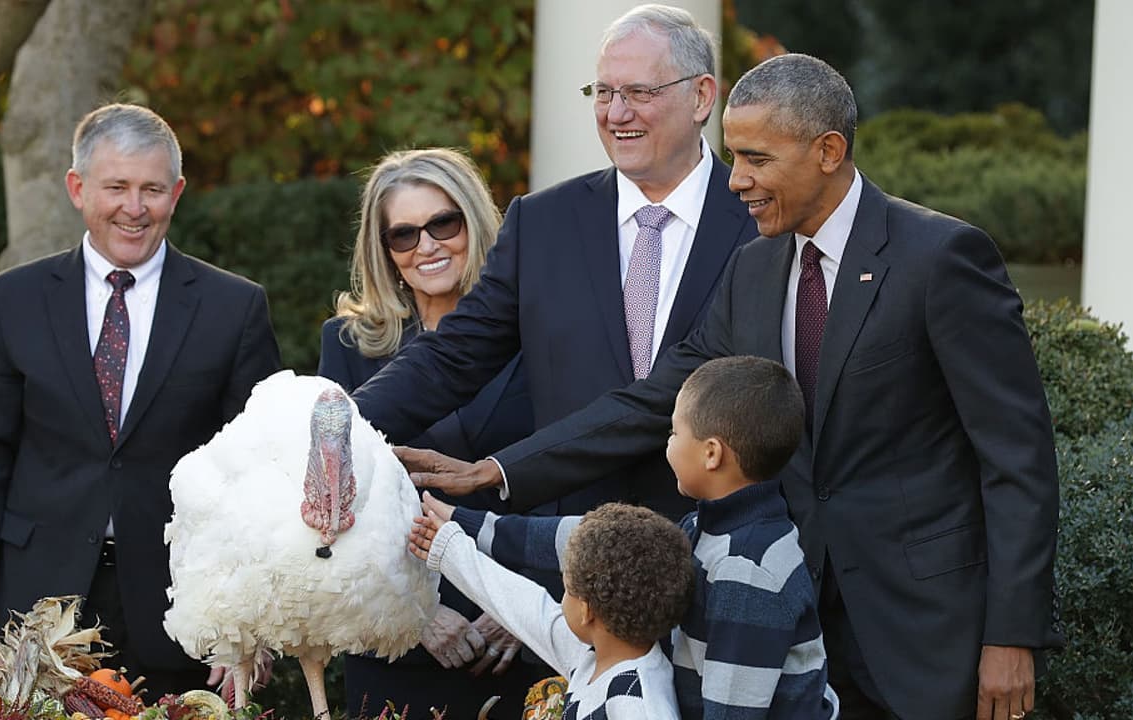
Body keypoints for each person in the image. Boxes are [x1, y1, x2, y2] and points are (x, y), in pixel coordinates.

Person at [404, 54, 1064, 720]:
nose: (736, 180)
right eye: (734, 156)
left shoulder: (942, 258)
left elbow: (1017, 460)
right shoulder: (753, 268)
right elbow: (654, 399)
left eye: (756, 159)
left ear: (828, 151)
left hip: (925, 636)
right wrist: (494, 472)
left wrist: (1011, 635)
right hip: (792, 636)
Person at [352, 3, 755, 524]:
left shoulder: (759, 221)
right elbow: (454, 354)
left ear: (701, 96)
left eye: (639, 92)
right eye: (604, 93)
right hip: (565, 554)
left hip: (723, 542)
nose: (616, 113)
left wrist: (500, 470)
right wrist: (336, 422)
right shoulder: (542, 222)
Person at [0, 103, 281, 700]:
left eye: (152, 189)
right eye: (116, 187)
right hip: (31, 626)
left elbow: (260, 482)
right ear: (77, 188)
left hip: (184, 623)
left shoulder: (234, 309)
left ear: (176, 194)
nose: (134, 207)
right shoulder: (14, 300)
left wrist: (250, 626)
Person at [417, 357, 838, 718]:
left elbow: (732, 711)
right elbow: (594, 543)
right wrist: (468, 525)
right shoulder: (707, 527)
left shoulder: (748, 573)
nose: (668, 445)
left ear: (711, 453)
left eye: (674, 433)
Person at [317, 148, 541, 717]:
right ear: (384, 250)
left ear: (476, 221)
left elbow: (564, 471)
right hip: (396, 651)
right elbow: (334, 504)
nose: (428, 246)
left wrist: (523, 603)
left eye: (444, 223)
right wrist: (413, 615)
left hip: (524, 639)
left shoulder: (538, 332)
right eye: (404, 235)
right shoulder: (347, 346)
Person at [409, 501, 692, 720]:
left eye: (566, 588)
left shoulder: (637, 703)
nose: (561, 597)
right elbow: (524, 606)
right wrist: (447, 548)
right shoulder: (596, 655)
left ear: (586, 611)